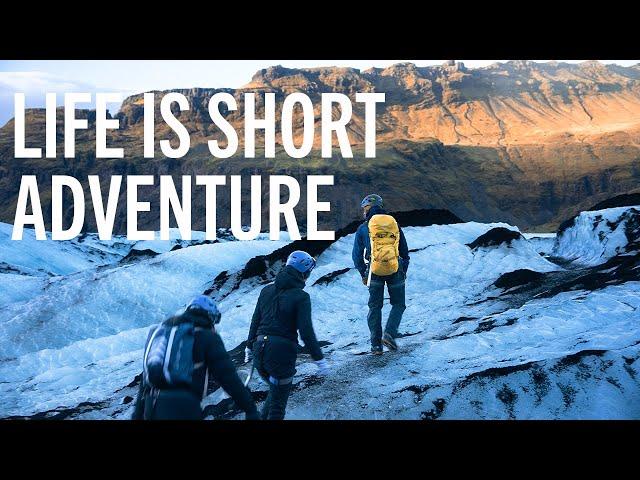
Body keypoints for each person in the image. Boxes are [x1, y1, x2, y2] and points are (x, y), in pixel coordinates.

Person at [132, 295, 259, 420]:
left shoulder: (163, 337)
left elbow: (145, 382)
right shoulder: (206, 337)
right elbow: (228, 377)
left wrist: (137, 415)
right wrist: (250, 409)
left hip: (152, 405)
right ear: (209, 316)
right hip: (184, 406)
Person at [244, 250, 329, 420]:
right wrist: (319, 359)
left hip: (259, 351)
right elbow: (306, 332)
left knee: (275, 392)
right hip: (281, 354)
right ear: (304, 272)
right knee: (277, 407)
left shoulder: (266, 290)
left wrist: (248, 346)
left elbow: (255, 320)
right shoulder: (301, 297)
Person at [352, 194, 409, 355]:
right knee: (398, 304)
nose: (363, 211)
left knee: (375, 307)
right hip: (395, 268)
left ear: (368, 208)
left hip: (374, 270)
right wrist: (403, 269)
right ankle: (390, 333)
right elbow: (404, 251)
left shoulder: (364, 227)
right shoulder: (394, 224)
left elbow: (356, 255)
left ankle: (376, 346)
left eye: (364, 208)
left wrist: (364, 273)